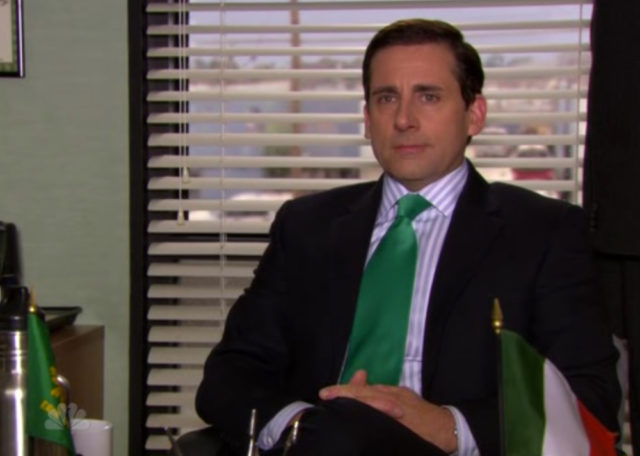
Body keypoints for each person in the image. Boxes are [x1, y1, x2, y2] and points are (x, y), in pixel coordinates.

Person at [196, 18, 621, 455]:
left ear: (474, 114)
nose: (403, 119)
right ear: (367, 119)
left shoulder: (543, 232)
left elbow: (590, 398)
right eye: (386, 98)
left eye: (428, 96)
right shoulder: (306, 226)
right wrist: (300, 428)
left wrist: (448, 427)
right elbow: (231, 374)